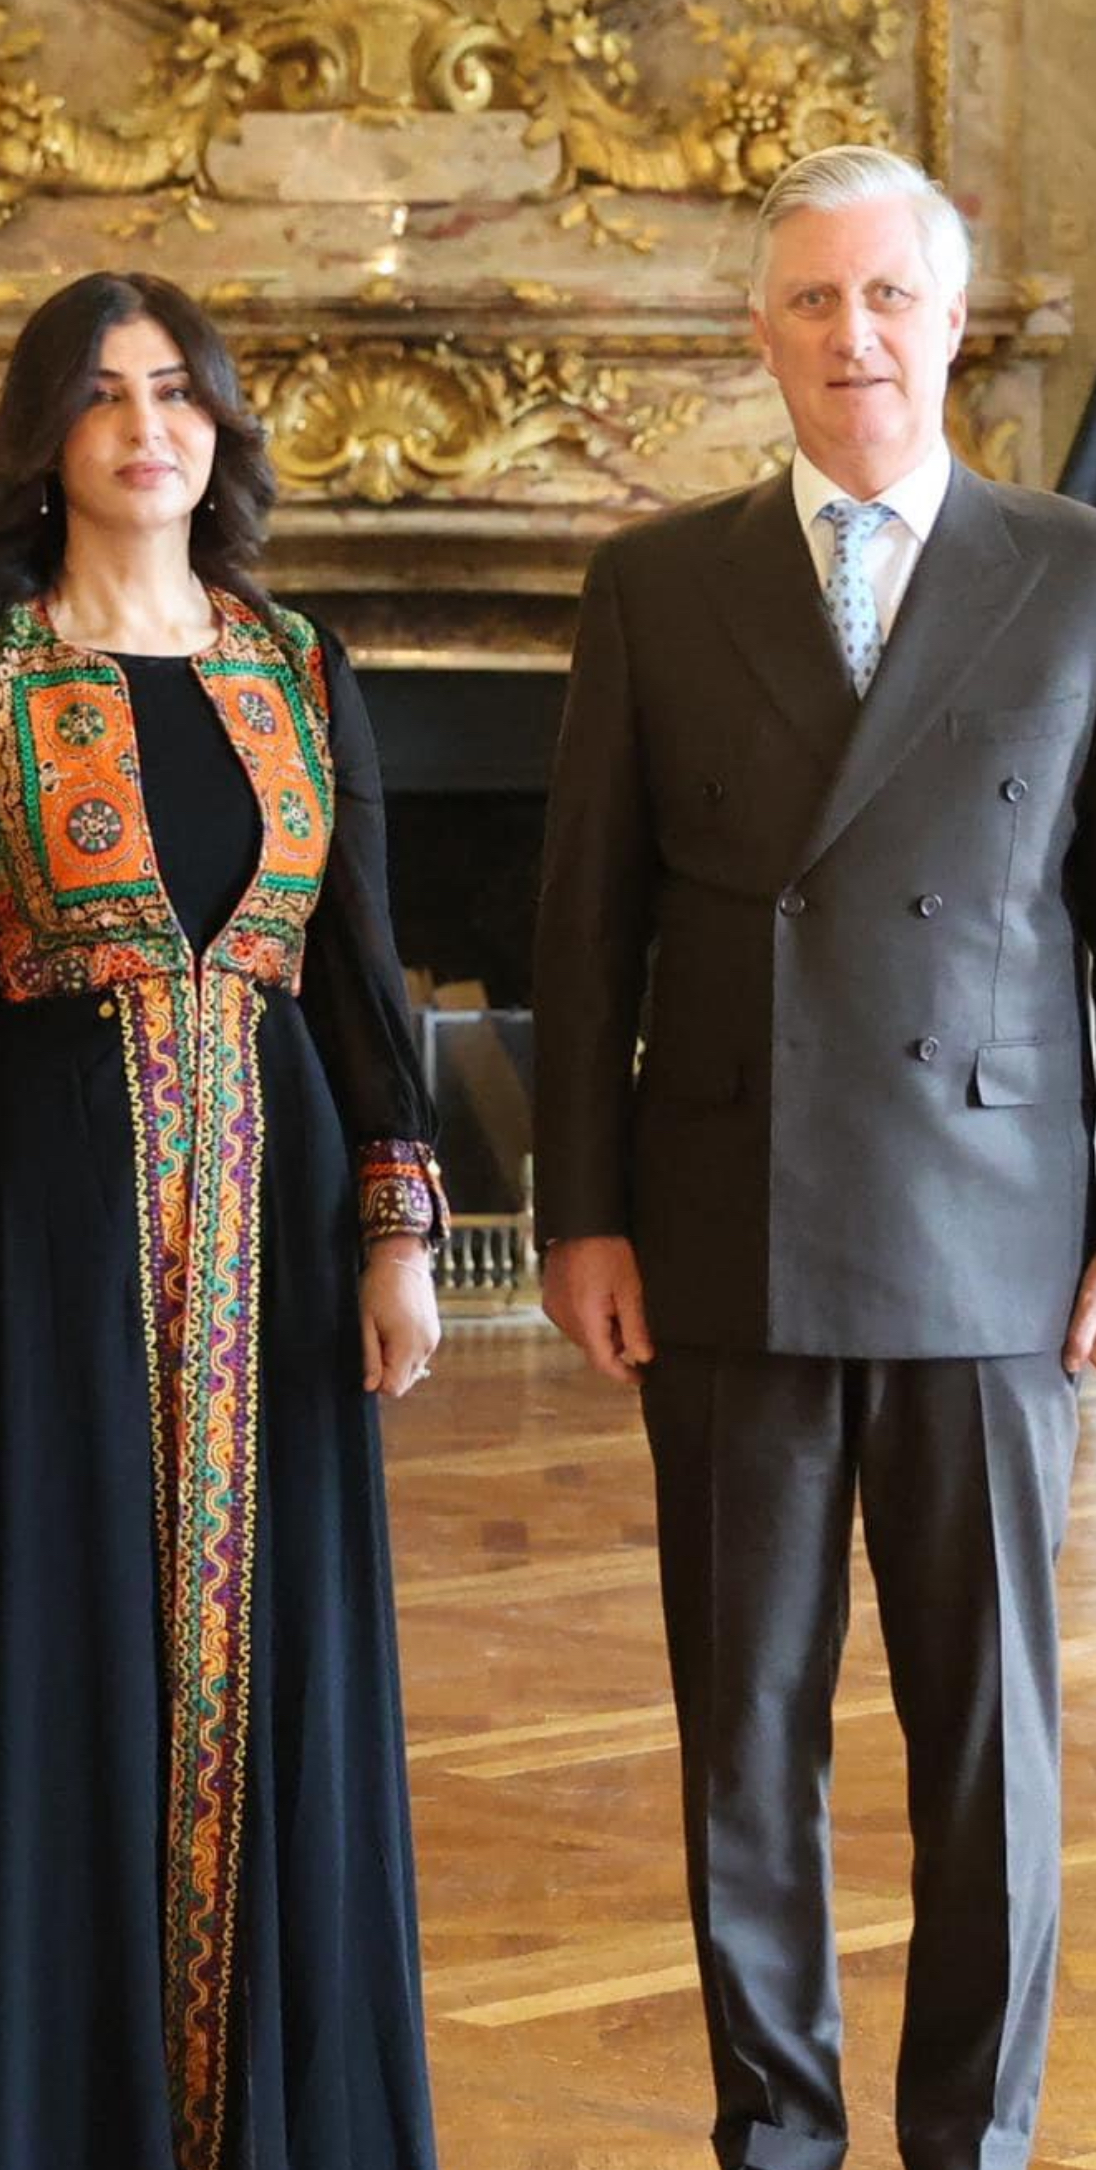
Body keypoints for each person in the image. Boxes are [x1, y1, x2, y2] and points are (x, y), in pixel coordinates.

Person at [0, 269, 446, 2170]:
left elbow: (362, 972)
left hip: (278, 1241)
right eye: (102, 394)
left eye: (176, 390)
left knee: (283, 1688)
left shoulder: (296, 665)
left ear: (217, 425)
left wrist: (396, 1225)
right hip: (38, 1234)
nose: (145, 426)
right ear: (48, 435)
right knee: (45, 1666)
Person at [534, 143, 1096, 2170]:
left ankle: (974, 2138)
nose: (852, 335)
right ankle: (776, 2127)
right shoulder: (655, 581)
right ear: (758, 335)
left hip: (995, 1226)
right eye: (811, 301)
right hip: (724, 1223)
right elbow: (584, 927)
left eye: (886, 297)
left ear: (949, 324)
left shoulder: (1075, 568)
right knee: (744, 1732)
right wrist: (580, 1208)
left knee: (989, 1741)